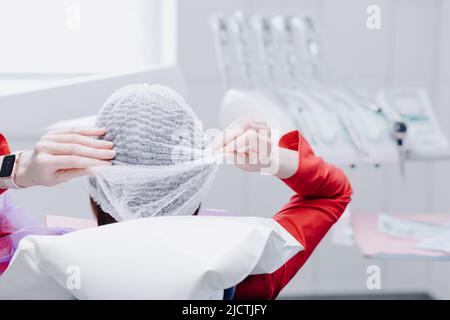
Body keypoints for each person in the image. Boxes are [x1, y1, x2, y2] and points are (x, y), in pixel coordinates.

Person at [0, 83, 352, 300]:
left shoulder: (32, 273)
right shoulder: (250, 274)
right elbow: (331, 194)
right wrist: (271, 157)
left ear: (95, 193)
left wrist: (17, 171)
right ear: (196, 187)